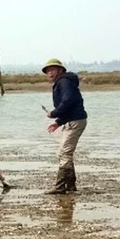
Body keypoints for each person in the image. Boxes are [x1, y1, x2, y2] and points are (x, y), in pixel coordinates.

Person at [42, 58, 87, 194]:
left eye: (52, 70)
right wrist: (58, 122)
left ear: (60, 70)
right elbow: (70, 106)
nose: (50, 73)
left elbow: (68, 101)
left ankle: (60, 187)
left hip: (75, 121)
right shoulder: (62, 82)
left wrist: (54, 113)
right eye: (48, 71)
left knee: (65, 153)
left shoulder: (64, 82)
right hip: (72, 120)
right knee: (63, 153)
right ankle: (70, 185)